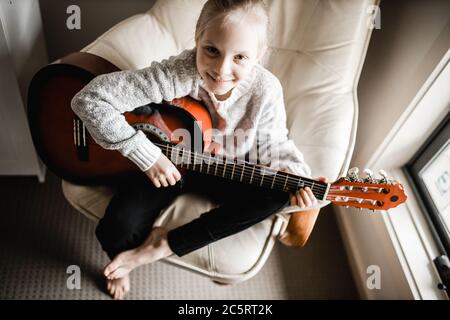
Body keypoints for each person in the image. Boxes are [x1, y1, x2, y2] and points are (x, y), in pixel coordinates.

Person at [71, 0, 324, 299]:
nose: (221, 70)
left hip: (225, 166)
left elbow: (274, 142)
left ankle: (163, 244)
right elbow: (87, 100)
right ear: (197, 40)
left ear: (259, 56)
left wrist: (295, 176)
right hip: (166, 160)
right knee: (117, 230)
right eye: (212, 50)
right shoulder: (179, 72)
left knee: (277, 193)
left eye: (240, 57)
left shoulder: (266, 90)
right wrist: (145, 154)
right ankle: (123, 263)